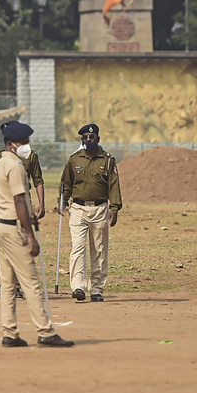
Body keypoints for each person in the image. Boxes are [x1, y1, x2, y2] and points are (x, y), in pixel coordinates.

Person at [0, 121, 73, 348]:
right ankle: (45, 331)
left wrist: (28, 217)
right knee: (30, 282)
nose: (26, 146)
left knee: (7, 283)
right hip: (13, 228)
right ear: (10, 144)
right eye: (22, 142)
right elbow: (18, 199)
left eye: (27, 142)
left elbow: (6, 199)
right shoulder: (15, 166)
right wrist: (30, 234)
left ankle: (10, 332)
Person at [58, 123, 122, 303]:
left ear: (98, 139)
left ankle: (96, 289)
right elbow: (66, 183)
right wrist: (62, 201)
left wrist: (114, 208)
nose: (88, 141)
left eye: (91, 138)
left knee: (99, 250)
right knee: (77, 247)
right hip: (78, 209)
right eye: (85, 138)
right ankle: (78, 286)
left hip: (100, 209)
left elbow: (114, 185)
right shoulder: (74, 159)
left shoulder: (108, 160)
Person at [0, 121, 45, 297]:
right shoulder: (1, 159)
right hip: (10, 205)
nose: (25, 146)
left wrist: (41, 203)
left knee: (16, 245)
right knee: (17, 248)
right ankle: (9, 282)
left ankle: (13, 285)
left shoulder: (30, 156)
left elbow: (37, 180)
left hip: (23, 198)